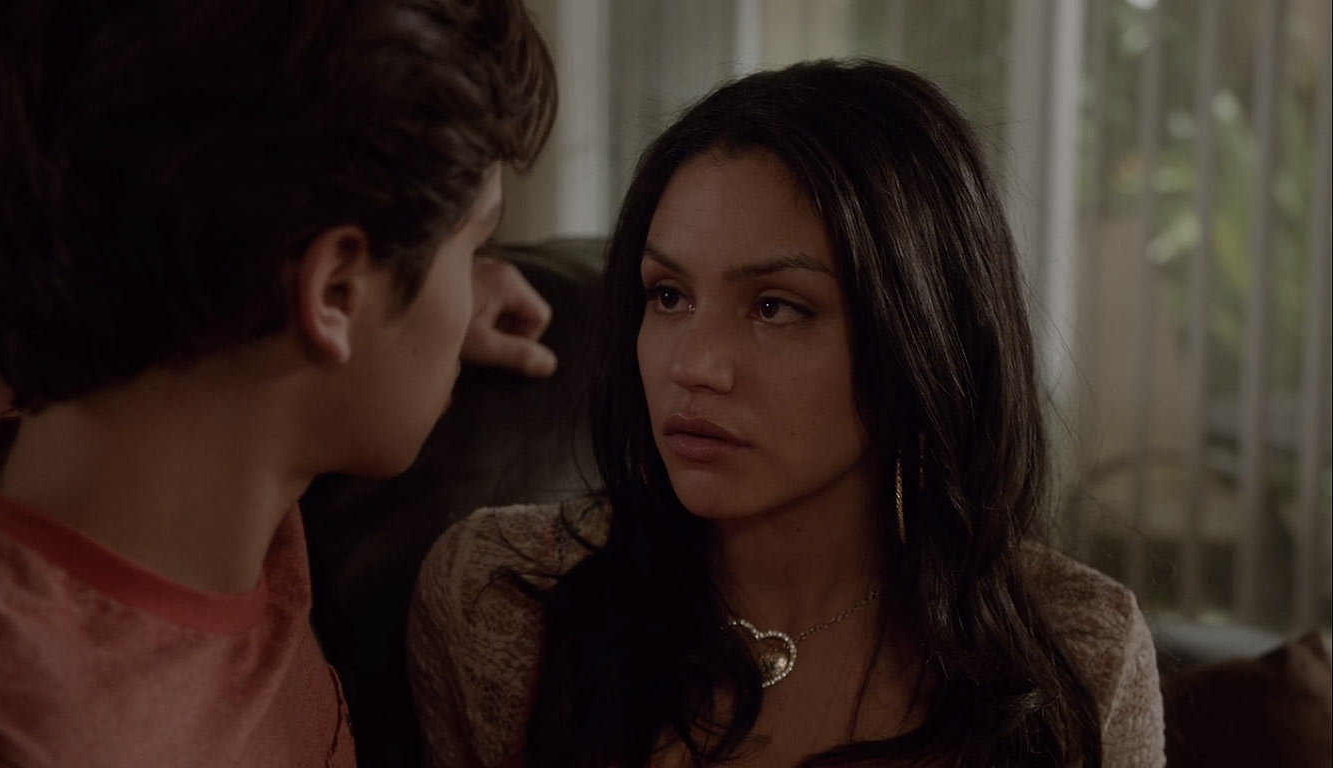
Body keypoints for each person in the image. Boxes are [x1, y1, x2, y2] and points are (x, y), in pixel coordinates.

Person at [408, 59, 1165, 767]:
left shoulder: (1084, 649)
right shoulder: (498, 598)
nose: (693, 365)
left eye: (775, 307)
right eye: (668, 296)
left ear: (920, 338)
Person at [0, 0, 556, 765]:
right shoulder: (28, 734)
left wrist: (420, 295)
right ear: (334, 289)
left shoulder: (93, 397)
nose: (471, 278)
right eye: (475, 240)